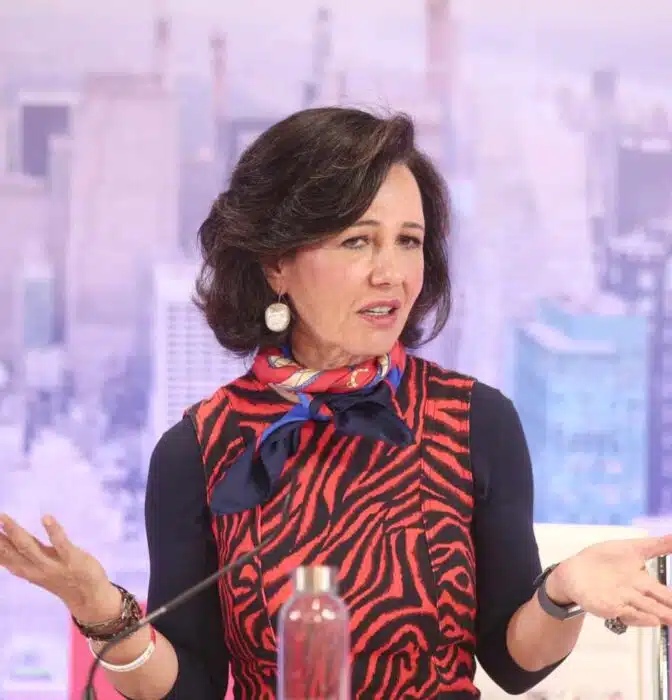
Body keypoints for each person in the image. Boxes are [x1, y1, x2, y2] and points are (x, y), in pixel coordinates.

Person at [2, 106, 672, 700]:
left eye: (408, 241)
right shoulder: (199, 450)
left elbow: (513, 662)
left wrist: (561, 591)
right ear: (276, 264)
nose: (392, 273)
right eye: (358, 240)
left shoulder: (475, 421)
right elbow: (190, 688)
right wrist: (100, 610)